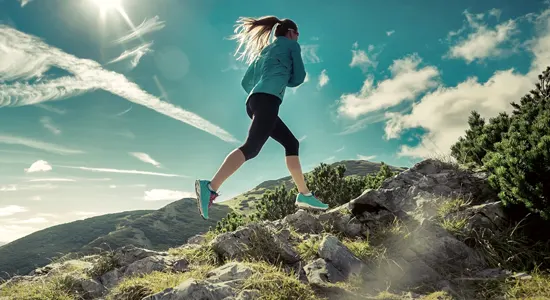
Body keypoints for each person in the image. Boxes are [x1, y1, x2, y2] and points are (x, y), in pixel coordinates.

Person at [195, 15, 329, 220]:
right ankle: (210, 187)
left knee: (291, 143)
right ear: (291, 33)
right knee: (252, 148)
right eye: (297, 33)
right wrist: (280, 82)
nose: (298, 37)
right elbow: (299, 77)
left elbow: (245, 82)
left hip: (254, 101)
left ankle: (305, 195)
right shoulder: (292, 46)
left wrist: (263, 86)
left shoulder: (264, 51)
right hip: (268, 100)